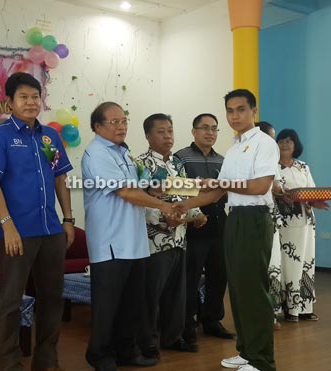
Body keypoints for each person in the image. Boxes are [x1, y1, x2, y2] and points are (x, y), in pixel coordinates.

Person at [175, 89, 279, 371]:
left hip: (254, 218)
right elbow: (217, 192)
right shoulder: (234, 149)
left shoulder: (265, 143)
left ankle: (261, 361)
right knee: (238, 289)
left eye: (241, 109)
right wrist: (186, 205)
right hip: (234, 218)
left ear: (253, 111)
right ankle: (247, 352)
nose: (235, 116)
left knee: (253, 290)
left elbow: (260, 186)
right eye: (230, 111)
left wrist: (219, 185)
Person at [0, 72, 74, 371]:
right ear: (10, 102)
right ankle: (10, 363)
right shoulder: (0, 135)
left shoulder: (49, 137)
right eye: (24, 97)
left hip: (50, 230)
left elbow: (60, 178)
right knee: (11, 303)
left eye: (35, 97)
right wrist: (7, 226)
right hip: (16, 233)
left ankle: (46, 361)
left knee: (52, 299)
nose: (31, 102)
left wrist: (68, 219)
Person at [82, 102, 175, 371]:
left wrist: (187, 191)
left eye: (124, 120)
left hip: (134, 243)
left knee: (131, 305)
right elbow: (126, 192)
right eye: (114, 122)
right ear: (97, 127)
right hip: (110, 242)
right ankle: (98, 355)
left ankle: (126, 351)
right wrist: (164, 206)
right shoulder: (97, 152)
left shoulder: (123, 153)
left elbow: (144, 187)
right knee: (107, 306)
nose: (121, 125)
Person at [137, 113, 207, 358]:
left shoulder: (177, 164)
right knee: (151, 294)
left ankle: (172, 337)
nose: (167, 136)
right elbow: (140, 201)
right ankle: (147, 342)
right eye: (161, 131)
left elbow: (188, 196)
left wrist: (198, 213)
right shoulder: (141, 164)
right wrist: (161, 218)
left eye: (170, 131)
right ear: (148, 136)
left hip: (179, 236)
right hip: (155, 239)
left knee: (176, 293)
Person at [174, 113, 235, 343]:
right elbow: (177, 189)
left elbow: (228, 191)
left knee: (218, 274)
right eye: (205, 128)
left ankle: (212, 320)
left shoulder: (223, 160)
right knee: (190, 276)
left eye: (214, 129)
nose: (210, 133)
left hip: (220, 221)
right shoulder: (181, 158)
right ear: (193, 131)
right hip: (194, 221)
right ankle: (187, 323)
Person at [273, 129, 329, 322]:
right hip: (284, 223)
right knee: (288, 265)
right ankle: (288, 308)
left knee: (306, 263)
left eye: (290, 141)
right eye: (281, 141)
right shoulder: (272, 167)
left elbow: (311, 191)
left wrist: (317, 202)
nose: (286, 144)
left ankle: (304, 308)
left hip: (306, 222)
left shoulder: (303, 167)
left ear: (296, 145)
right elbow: (273, 193)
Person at [256, 121, 284, 330]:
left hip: (270, 218)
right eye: (270, 137)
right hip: (250, 217)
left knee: (272, 266)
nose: (273, 142)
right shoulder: (248, 155)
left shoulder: (271, 158)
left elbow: (277, 186)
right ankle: (261, 315)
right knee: (259, 268)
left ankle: (271, 313)